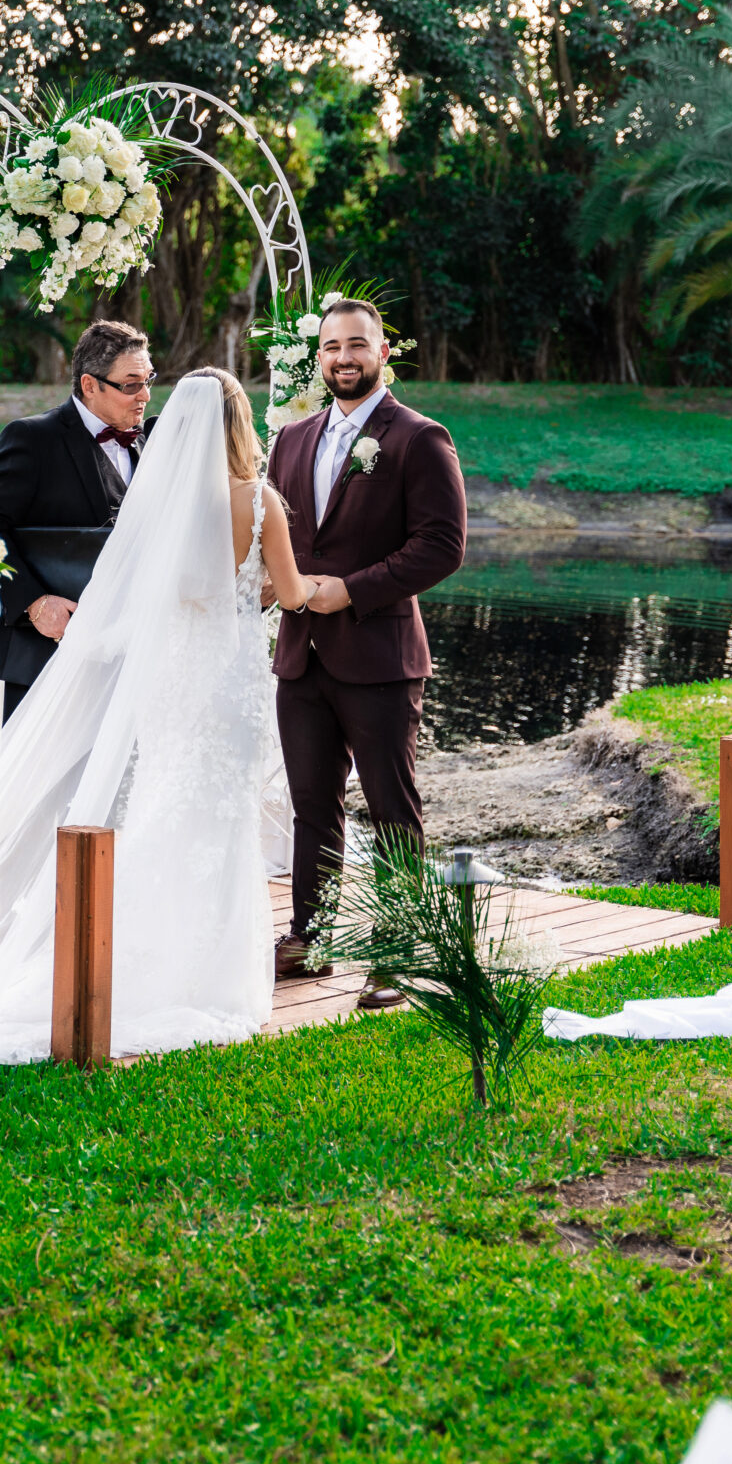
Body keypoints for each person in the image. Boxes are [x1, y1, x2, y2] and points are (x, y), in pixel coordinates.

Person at [0, 368, 310, 1069]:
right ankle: (208, 976)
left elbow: (140, 600)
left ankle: (139, 961)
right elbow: (285, 592)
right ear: (240, 422)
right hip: (229, 686)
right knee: (223, 821)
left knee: (164, 809)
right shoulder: (259, 502)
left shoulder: (159, 506)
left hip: (171, 686)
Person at [265, 299, 467, 1006]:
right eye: (330, 347)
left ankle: (398, 949)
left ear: (384, 353)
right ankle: (311, 936)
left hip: (380, 657)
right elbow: (284, 541)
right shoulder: (290, 439)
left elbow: (442, 547)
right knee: (312, 806)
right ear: (317, 357)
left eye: (357, 345)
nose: (342, 358)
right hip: (301, 658)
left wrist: (349, 591)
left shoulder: (418, 437)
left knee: (391, 808)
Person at [0, 321, 153, 722]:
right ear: (89, 385)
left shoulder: (145, 442)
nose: (144, 395)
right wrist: (34, 604)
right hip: (44, 653)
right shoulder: (31, 438)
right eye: (130, 384)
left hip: (125, 659)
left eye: (148, 379)